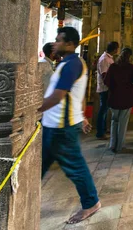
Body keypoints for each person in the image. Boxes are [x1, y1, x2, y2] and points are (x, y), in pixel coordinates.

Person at [38, 26, 100, 224]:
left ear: (70, 44)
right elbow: (76, 96)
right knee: (39, 166)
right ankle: (24, 198)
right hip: (53, 124)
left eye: (59, 40)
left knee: (75, 167)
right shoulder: (67, 63)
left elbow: (58, 96)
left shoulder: (72, 64)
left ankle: (91, 202)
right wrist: (82, 116)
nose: (55, 43)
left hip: (61, 127)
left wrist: (34, 110)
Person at [104, 47, 133, 153]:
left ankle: (112, 144)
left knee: (114, 121)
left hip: (114, 97)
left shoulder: (113, 67)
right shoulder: (132, 68)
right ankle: (119, 145)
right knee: (123, 123)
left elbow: (106, 81)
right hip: (127, 98)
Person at [95, 41, 119, 139]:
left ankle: (104, 129)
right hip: (105, 88)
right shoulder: (104, 59)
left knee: (105, 109)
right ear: (114, 49)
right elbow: (105, 75)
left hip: (108, 87)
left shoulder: (109, 59)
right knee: (103, 109)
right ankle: (100, 132)